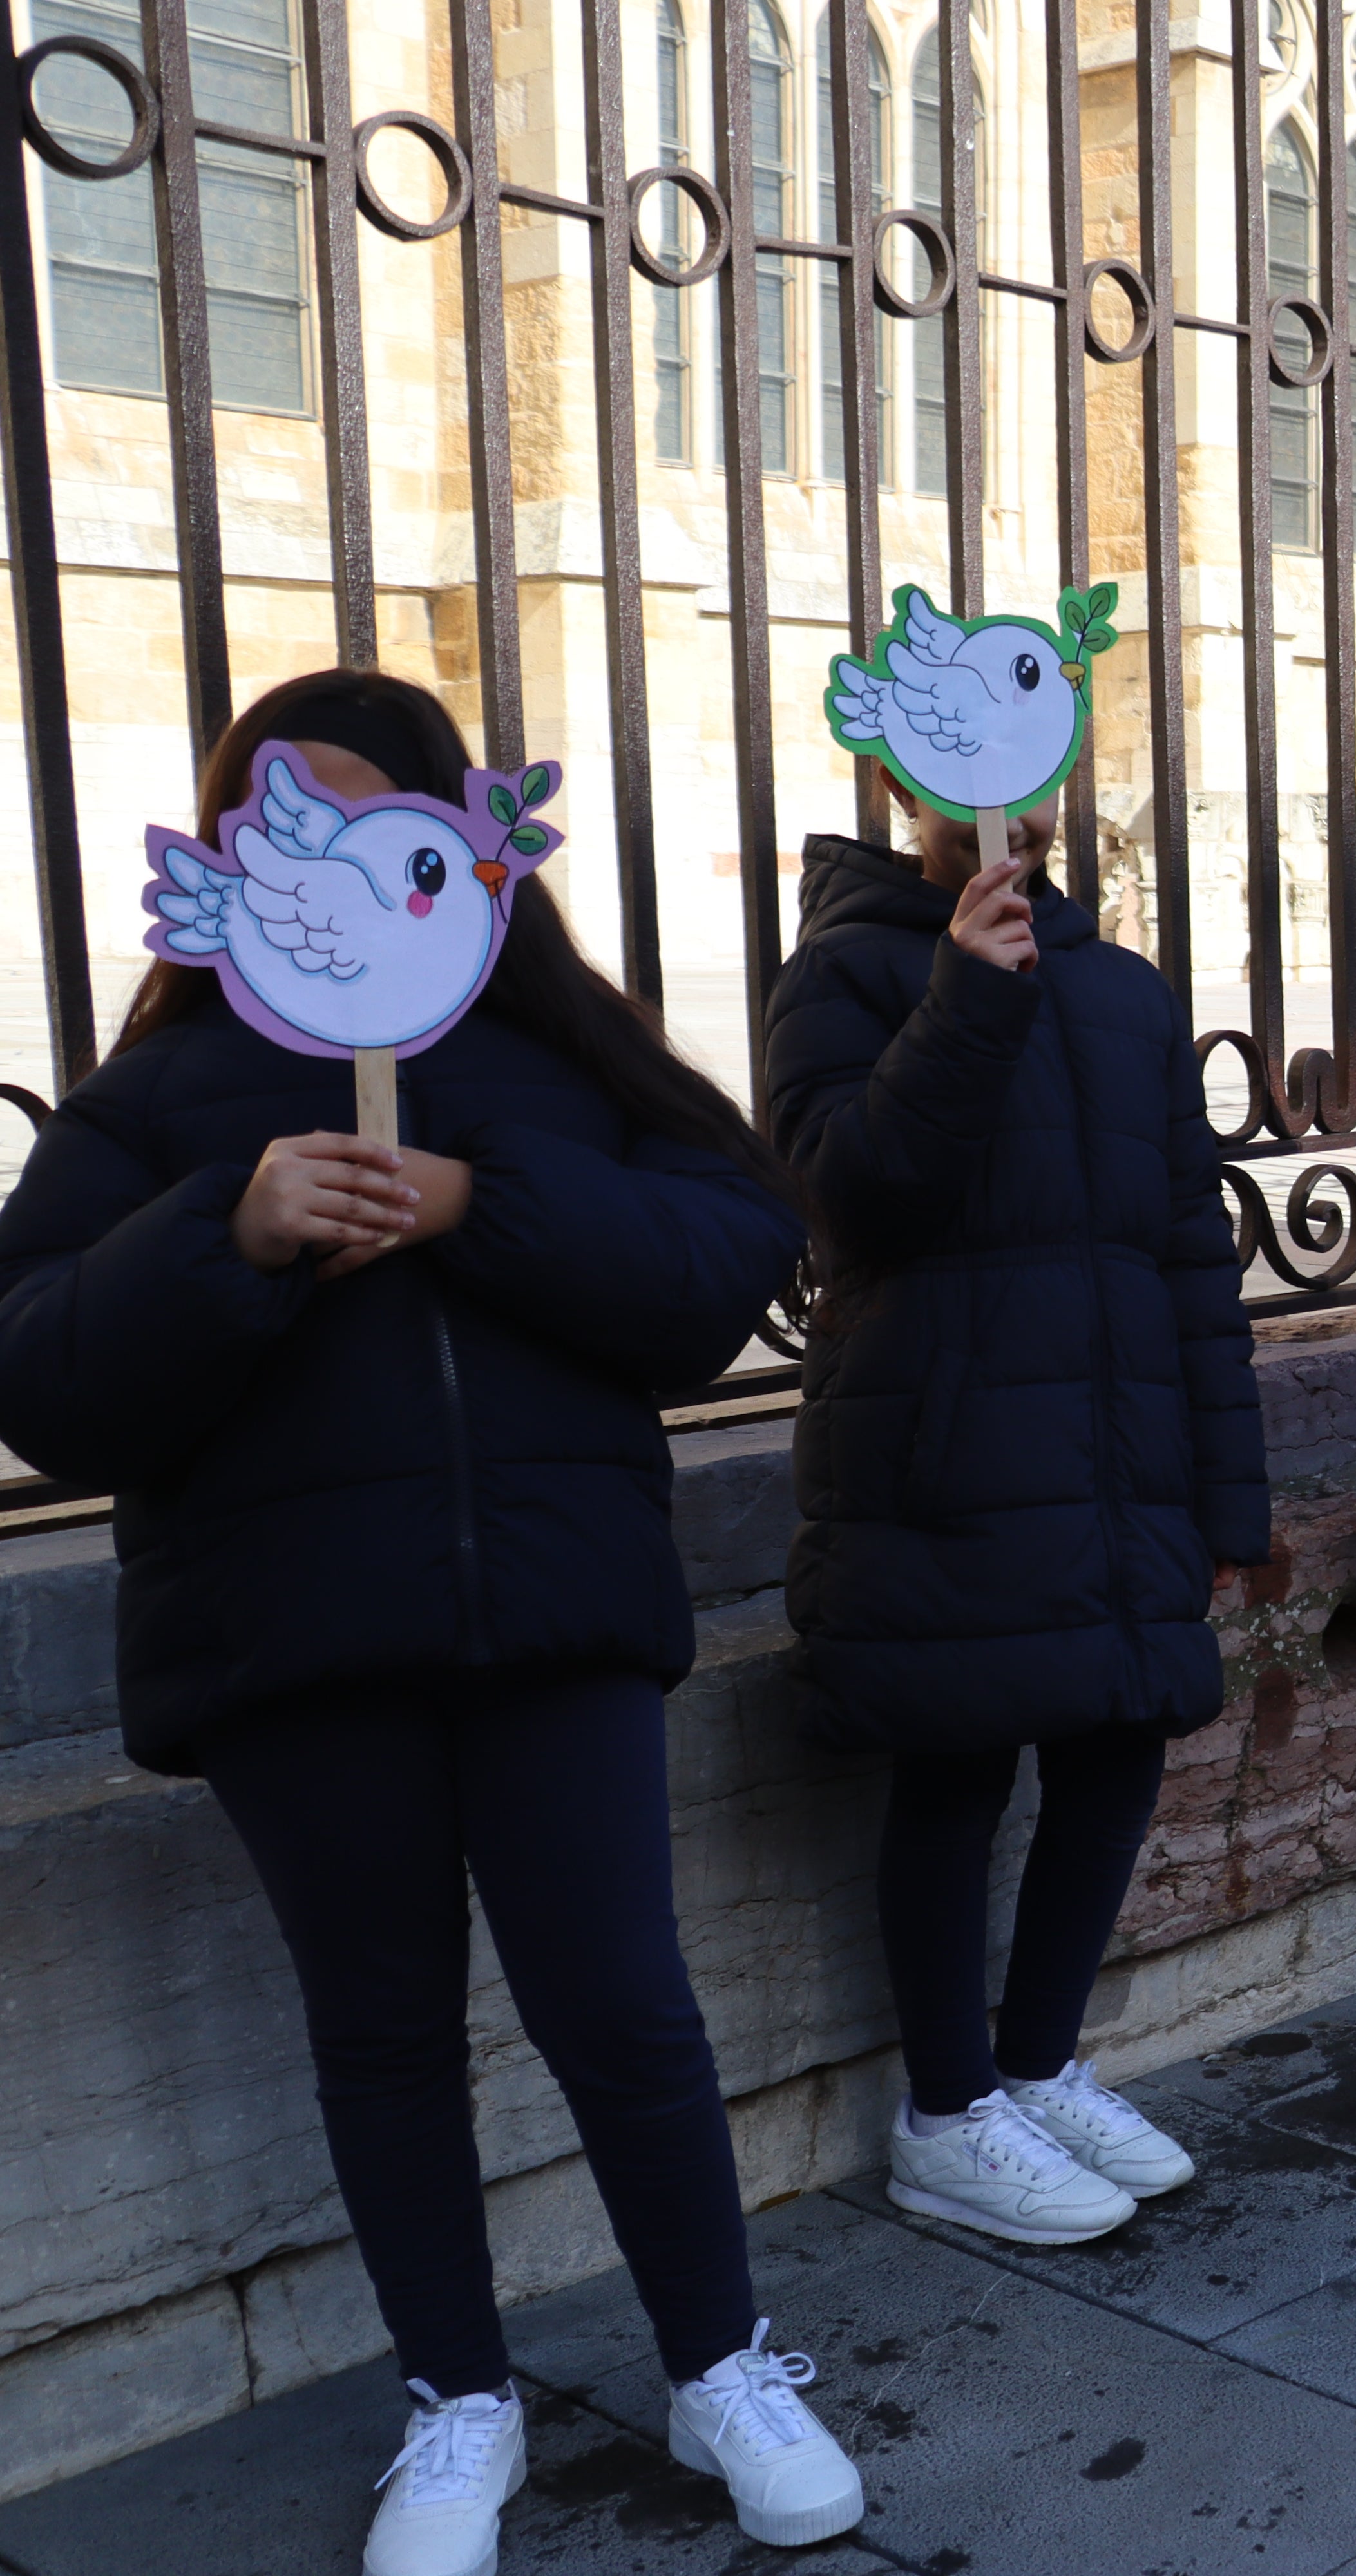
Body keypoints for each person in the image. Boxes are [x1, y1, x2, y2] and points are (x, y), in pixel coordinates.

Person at [0, 670, 864, 2573]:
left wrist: (485, 1197)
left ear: (456, 837)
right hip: (293, 1644)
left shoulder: (559, 1055)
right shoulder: (161, 1100)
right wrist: (218, 1238)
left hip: (553, 1619)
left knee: (621, 2005)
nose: (312, 861)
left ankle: (719, 2358)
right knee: (381, 2028)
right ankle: (455, 2399)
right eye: (265, 824)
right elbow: (39, 1370)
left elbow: (726, 1256)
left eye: (358, 819)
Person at [763, 762, 1270, 2249]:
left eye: (1045, 768)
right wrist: (963, 1003)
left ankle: (1038, 2060)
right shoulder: (846, 972)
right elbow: (849, 1199)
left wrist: (1228, 1495)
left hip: (1116, 1449)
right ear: (891, 782)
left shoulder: (1122, 991)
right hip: (947, 1449)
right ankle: (948, 2110)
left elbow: (1190, 1248)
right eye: (971, 772)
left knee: (1119, 1736)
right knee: (957, 1766)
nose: (1020, 806)